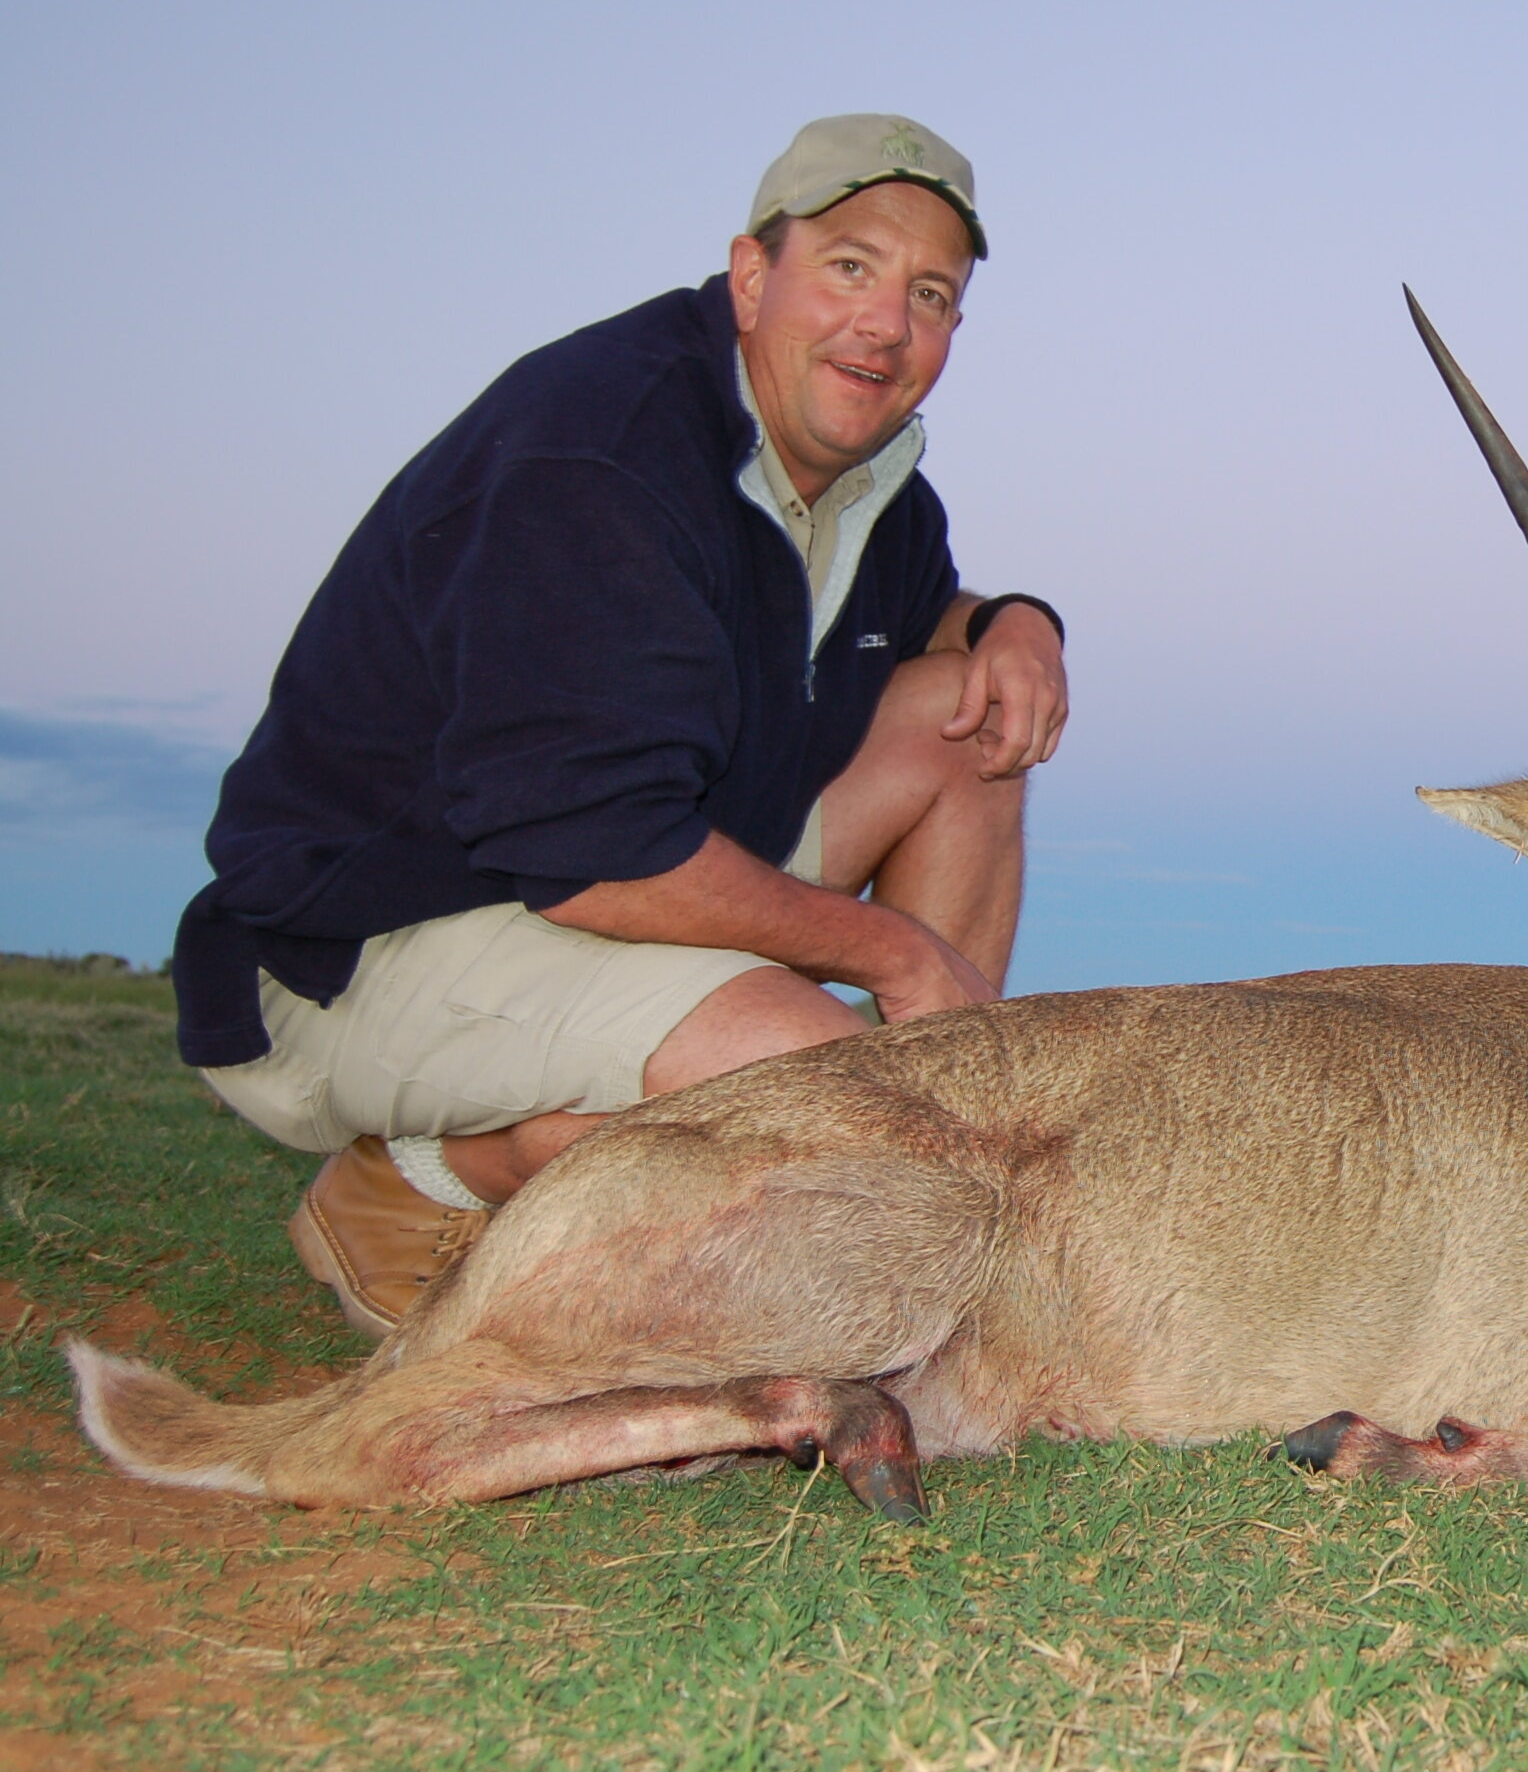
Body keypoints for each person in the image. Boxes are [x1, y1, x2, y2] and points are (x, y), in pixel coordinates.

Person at [172, 114, 1069, 1337]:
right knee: (817, 1083)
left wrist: (1015, 620)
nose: (885, 324)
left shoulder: (869, 489)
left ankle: (923, 1185)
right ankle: (419, 1182)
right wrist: (893, 959)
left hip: (616, 873)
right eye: (848, 266)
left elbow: (926, 621)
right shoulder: (601, 446)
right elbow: (593, 846)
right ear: (752, 276)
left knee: (973, 717)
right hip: (366, 939)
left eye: (929, 293)